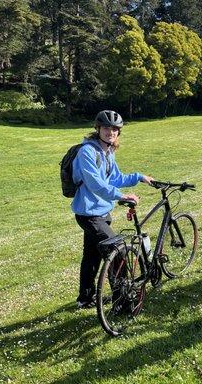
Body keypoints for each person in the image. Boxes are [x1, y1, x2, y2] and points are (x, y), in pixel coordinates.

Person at [71, 110, 154, 308]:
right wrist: (123, 196)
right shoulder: (87, 152)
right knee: (118, 252)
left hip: (102, 213)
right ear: (98, 128)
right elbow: (96, 184)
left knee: (91, 256)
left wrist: (139, 177)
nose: (111, 132)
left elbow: (115, 178)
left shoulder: (107, 152)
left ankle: (85, 299)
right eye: (107, 127)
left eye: (115, 129)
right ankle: (122, 300)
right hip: (89, 214)